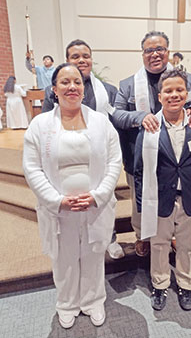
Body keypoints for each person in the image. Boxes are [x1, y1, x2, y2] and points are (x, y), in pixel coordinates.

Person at [23, 63, 122, 329]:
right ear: (54, 89)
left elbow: (115, 162)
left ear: (83, 87)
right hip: (59, 209)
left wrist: (98, 195)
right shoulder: (40, 124)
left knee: (92, 254)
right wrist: (56, 200)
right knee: (64, 257)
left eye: (77, 82)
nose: (72, 87)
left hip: (94, 206)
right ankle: (66, 303)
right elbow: (31, 167)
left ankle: (93, 300)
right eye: (65, 82)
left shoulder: (101, 122)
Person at [112, 30, 191, 257]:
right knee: (141, 197)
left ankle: (173, 236)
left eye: (160, 49)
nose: (154, 54)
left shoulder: (187, 80)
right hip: (140, 155)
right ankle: (143, 236)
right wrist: (139, 117)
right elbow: (116, 114)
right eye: (149, 50)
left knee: (176, 196)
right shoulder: (127, 84)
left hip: (178, 156)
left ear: (168, 52)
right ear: (142, 54)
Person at [134, 69, 191, 312]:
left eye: (179, 90)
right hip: (160, 199)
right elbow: (139, 171)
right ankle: (160, 285)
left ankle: (185, 284)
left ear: (187, 94)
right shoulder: (149, 127)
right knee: (159, 244)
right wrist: (142, 206)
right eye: (168, 91)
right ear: (159, 96)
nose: (174, 94)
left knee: (187, 246)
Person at [41, 39, 124, 259]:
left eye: (85, 56)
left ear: (91, 59)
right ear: (67, 60)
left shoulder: (107, 90)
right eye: (75, 56)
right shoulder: (56, 92)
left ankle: (110, 238)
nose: (82, 60)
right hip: (68, 153)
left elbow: (116, 121)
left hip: (99, 156)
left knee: (105, 198)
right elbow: (45, 124)